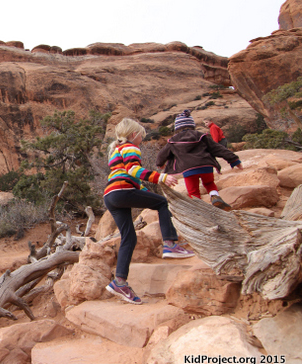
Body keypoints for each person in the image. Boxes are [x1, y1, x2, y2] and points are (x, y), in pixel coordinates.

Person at [104, 118, 194, 305]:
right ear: (133, 134)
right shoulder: (130, 147)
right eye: (141, 136)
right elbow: (134, 170)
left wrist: (144, 192)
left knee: (129, 237)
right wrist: (161, 178)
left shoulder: (115, 151)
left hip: (111, 196)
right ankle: (170, 244)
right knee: (163, 204)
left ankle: (120, 282)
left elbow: (129, 177)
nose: (142, 141)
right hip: (122, 191)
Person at [157, 110, 243, 211]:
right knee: (209, 183)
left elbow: (162, 154)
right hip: (206, 166)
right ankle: (215, 196)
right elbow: (217, 148)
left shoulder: (173, 140)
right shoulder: (201, 136)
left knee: (193, 192)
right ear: (192, 125)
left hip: (188, 169)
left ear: (177, 127)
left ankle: (199, 210)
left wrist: (160, 164)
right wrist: (234, 160)